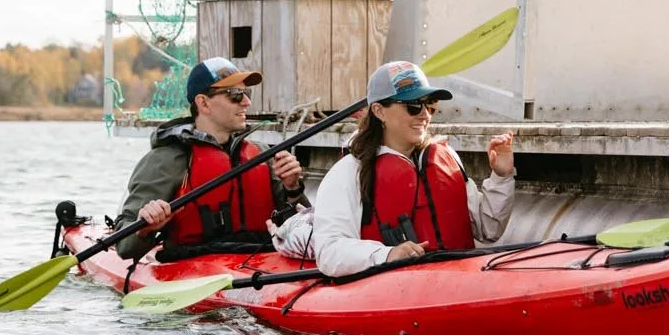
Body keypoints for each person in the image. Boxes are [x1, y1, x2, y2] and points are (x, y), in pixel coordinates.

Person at [312, 61, 516, 277]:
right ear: (379, 111)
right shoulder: (348, 172)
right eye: (413, 106)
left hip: (456, 285)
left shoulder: (446, 159)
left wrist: (501, 177)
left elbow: (489, 230)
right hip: (392, 295)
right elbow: (329, 252)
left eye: (429, 105)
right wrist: (387, 254)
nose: (425, 115)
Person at [110, 56, 305, 259]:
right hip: (195, 267)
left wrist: (293, 189)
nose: (246, 102)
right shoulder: (167, 159)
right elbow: (124, 247)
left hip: (265, 261)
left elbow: (303, 226)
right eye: (235, 95)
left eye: (247, 93)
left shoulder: (262, 153)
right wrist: (145, 228)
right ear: (203, 103)